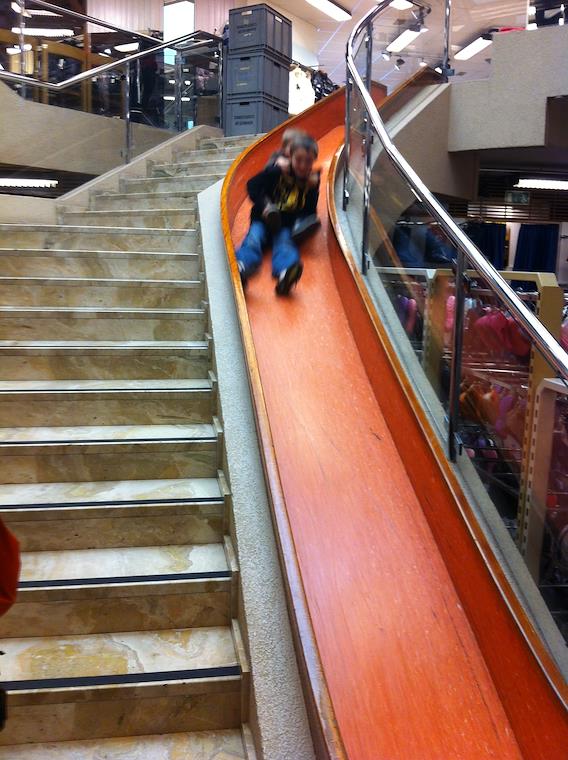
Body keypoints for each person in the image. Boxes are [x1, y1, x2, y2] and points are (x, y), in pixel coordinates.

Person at [236, 133, 320, 296]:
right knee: (253, 239)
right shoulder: (278, 171)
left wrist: (312, 195)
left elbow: (309, 210)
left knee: (285, 244)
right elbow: (252, 185)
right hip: (263, 219)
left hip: (284, 225)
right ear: (291, 158)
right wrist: (265, 205)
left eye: (308, 161)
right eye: (299, 160)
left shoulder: (311, 183)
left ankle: (286, 273)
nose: (303, 166)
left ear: (313, 161)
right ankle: (243, 266)